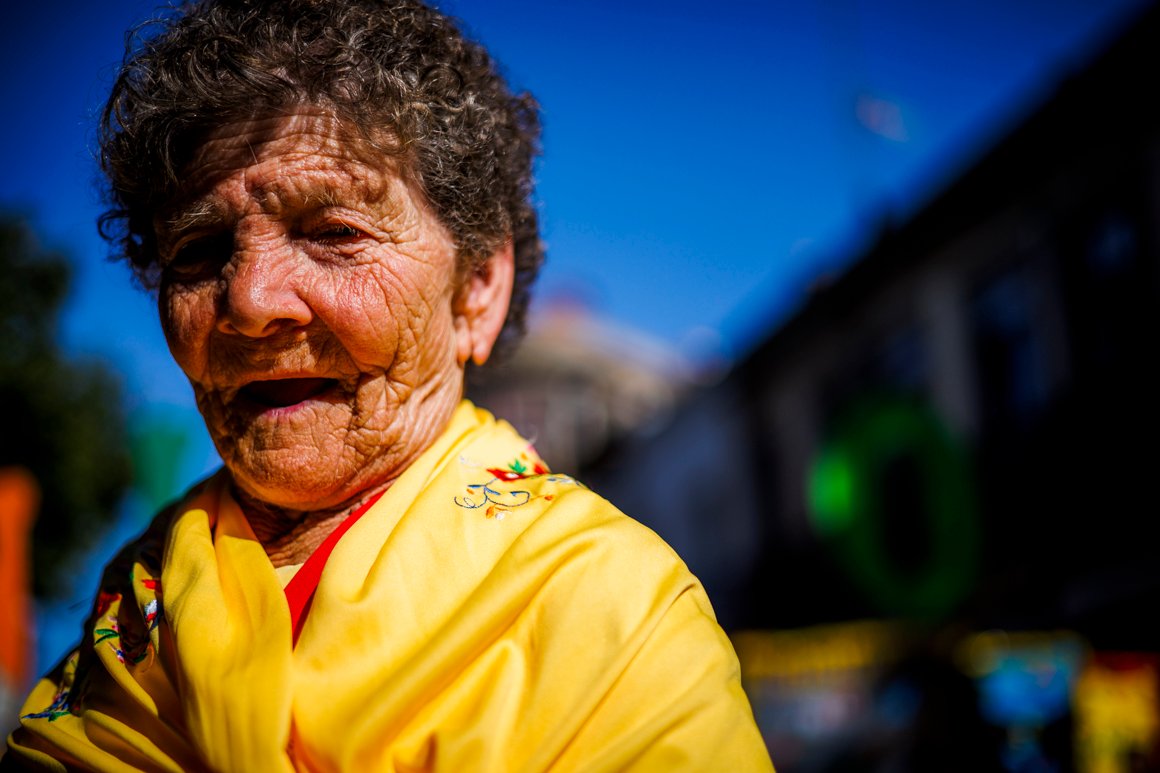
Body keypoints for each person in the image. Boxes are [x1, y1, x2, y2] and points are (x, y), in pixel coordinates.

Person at [3, 0, 773, 770]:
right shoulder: (134, 608)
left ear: (477, 289)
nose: (250, 301)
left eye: (334, 233)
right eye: (198, 250)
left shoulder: (612, 612)